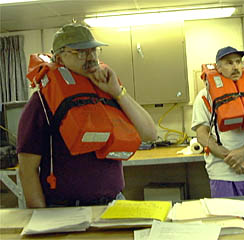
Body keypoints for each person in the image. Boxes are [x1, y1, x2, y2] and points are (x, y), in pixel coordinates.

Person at [17, 23, 157, 208]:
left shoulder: (108, 91)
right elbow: (28, 171)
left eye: (93, 50)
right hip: (66, 210)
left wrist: (118, 92)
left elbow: (150, 134)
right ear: (59, 57)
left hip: (113, 203)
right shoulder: (41, 103)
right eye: (80, 52)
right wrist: (42, 222)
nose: (90, 57)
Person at [192, 46, 244, 198]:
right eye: (229, 63)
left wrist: (242, 152)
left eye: (238, 62)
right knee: (227, 221)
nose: (236, 67)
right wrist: (232, 159)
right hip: (223, 175)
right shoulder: (204, 97)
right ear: (218, 67)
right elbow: (202, 136)